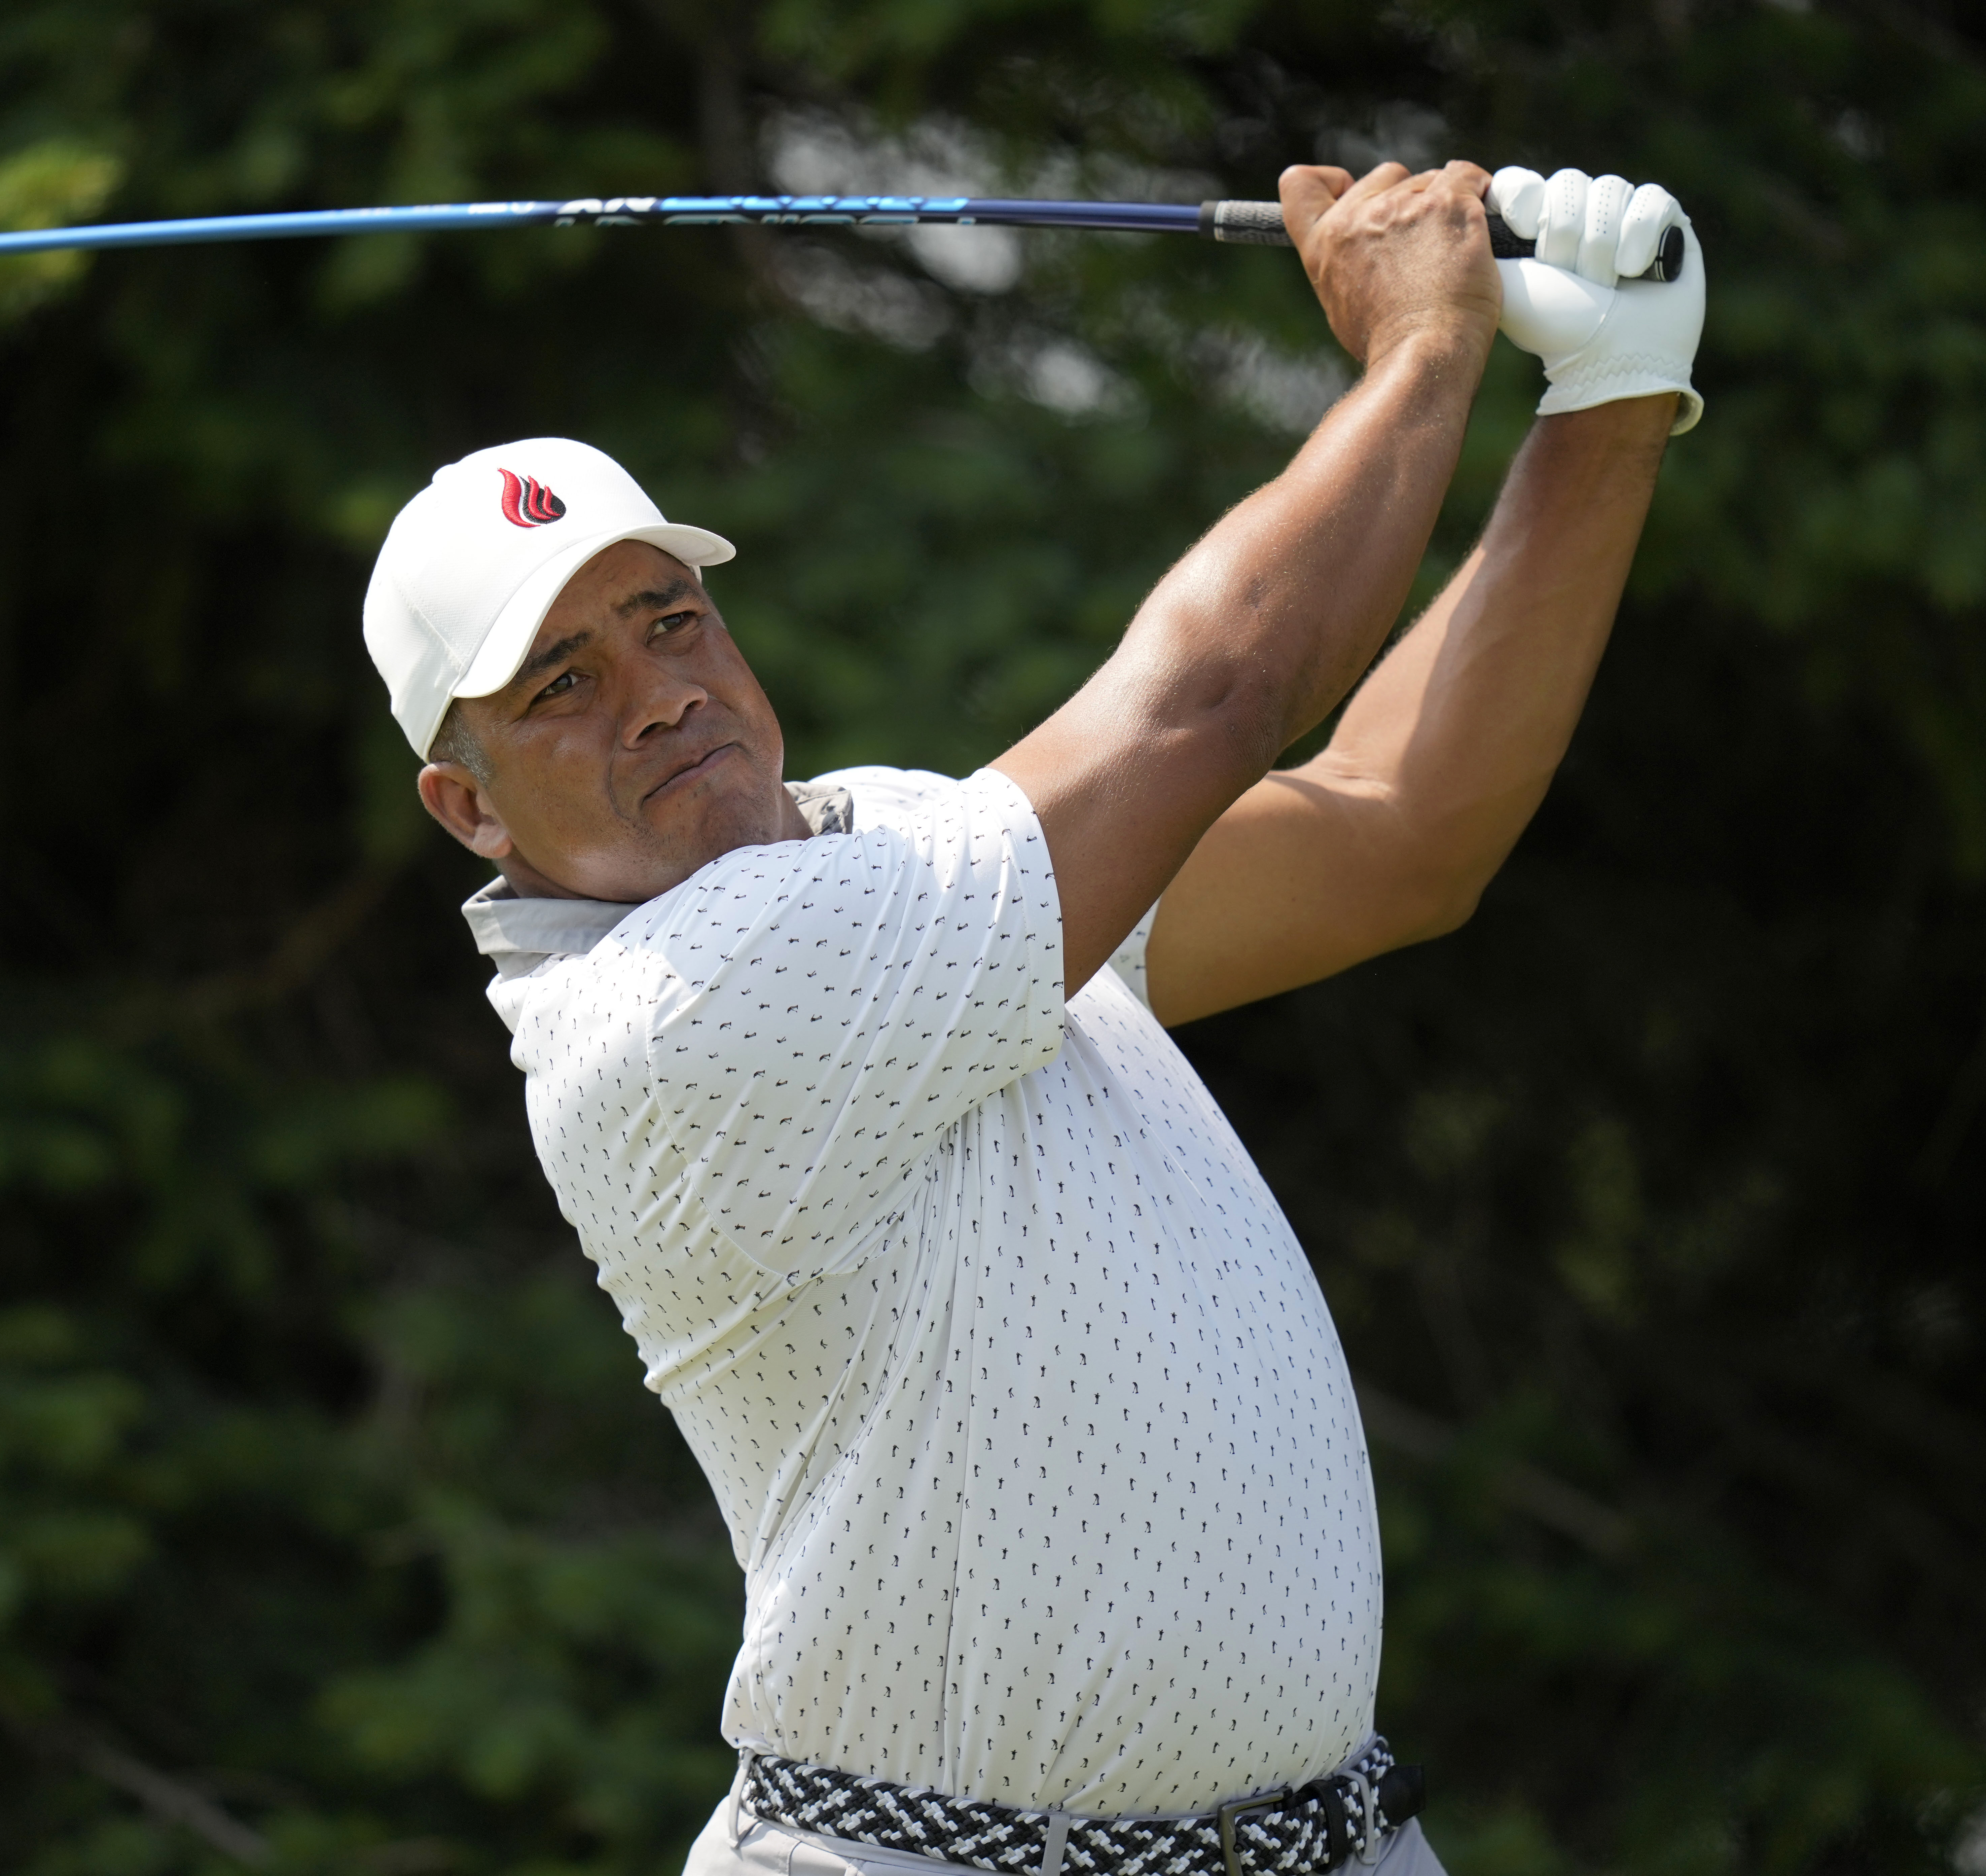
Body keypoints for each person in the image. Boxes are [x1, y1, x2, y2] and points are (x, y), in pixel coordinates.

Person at [360, 158, 1704, 1876]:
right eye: (565, 683)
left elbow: (1395, 831)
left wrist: (1609, 400)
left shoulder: (906, 851)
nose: (663, 693)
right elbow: (1213, 699)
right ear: (469, 808)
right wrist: (1423, 347)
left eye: (670, 618)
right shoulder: (673, 1012)